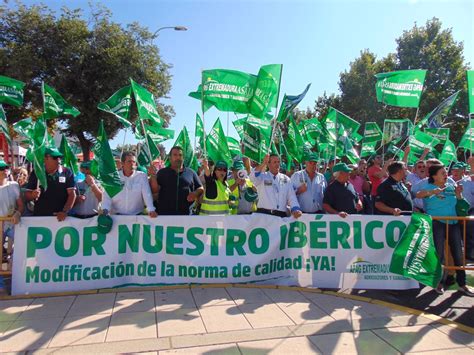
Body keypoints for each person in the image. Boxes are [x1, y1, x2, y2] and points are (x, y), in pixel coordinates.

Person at [416, 164, 473, 296]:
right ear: (434, 176)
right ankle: (439, 283)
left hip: (453, 223)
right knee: (439, 254)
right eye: (442, 172)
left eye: (446, 172)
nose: (446, 174)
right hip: (438, 224)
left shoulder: (451, 186)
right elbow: (419, 195)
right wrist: (433, 192)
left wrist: (458, 195)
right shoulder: (428, 186)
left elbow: (463, 205)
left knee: (458, 254)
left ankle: (462, 284)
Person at [24, 147, 76, 221]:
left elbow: (72, 194)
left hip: (61, 218)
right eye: (55, 157)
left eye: (60, 157)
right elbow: (27, 195)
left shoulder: (67, 172)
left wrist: (65, 211)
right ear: (45, 158)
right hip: (40, 217)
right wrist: (32, 195)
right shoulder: (36, 172)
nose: (58, 160)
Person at [151, 146, 203, 215]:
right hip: (164, 216)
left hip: (186, 216)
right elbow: (155, 191)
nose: (178, 157)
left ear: (183, 158)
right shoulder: (162, 172)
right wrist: (153, 176)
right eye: (175, 155)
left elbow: (200, 188)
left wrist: (195, 193)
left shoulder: (191, 172)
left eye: (180, 155)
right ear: (170, 158)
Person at [102, 151, 157, 217]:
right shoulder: (113, 177)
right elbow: (107, 196)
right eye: (129, 161)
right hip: (117, 217)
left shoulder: (142, 176)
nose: (132, 164)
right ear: (122, 163)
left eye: (134, 162)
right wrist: (105, 210)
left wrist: (151, 209)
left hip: (137, 217)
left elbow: (147, 193)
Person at [250, 154, 302, 218]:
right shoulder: (262, 177)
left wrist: (295, 209)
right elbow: (252, 177)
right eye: (274, 162)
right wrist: (263, 163)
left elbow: (291, 197)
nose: (277, 164)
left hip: (281, 216)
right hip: (264, 215)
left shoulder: (286, 179)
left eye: (278, 162)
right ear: (268, 164)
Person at [0, 160, 23, 254]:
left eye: (6, 167)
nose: (5, 170)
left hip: (12, 225)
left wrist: (18, 213)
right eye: (1, 168)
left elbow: (21, 205)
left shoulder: (14, 185)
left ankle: (12, 267)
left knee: (22, 248)